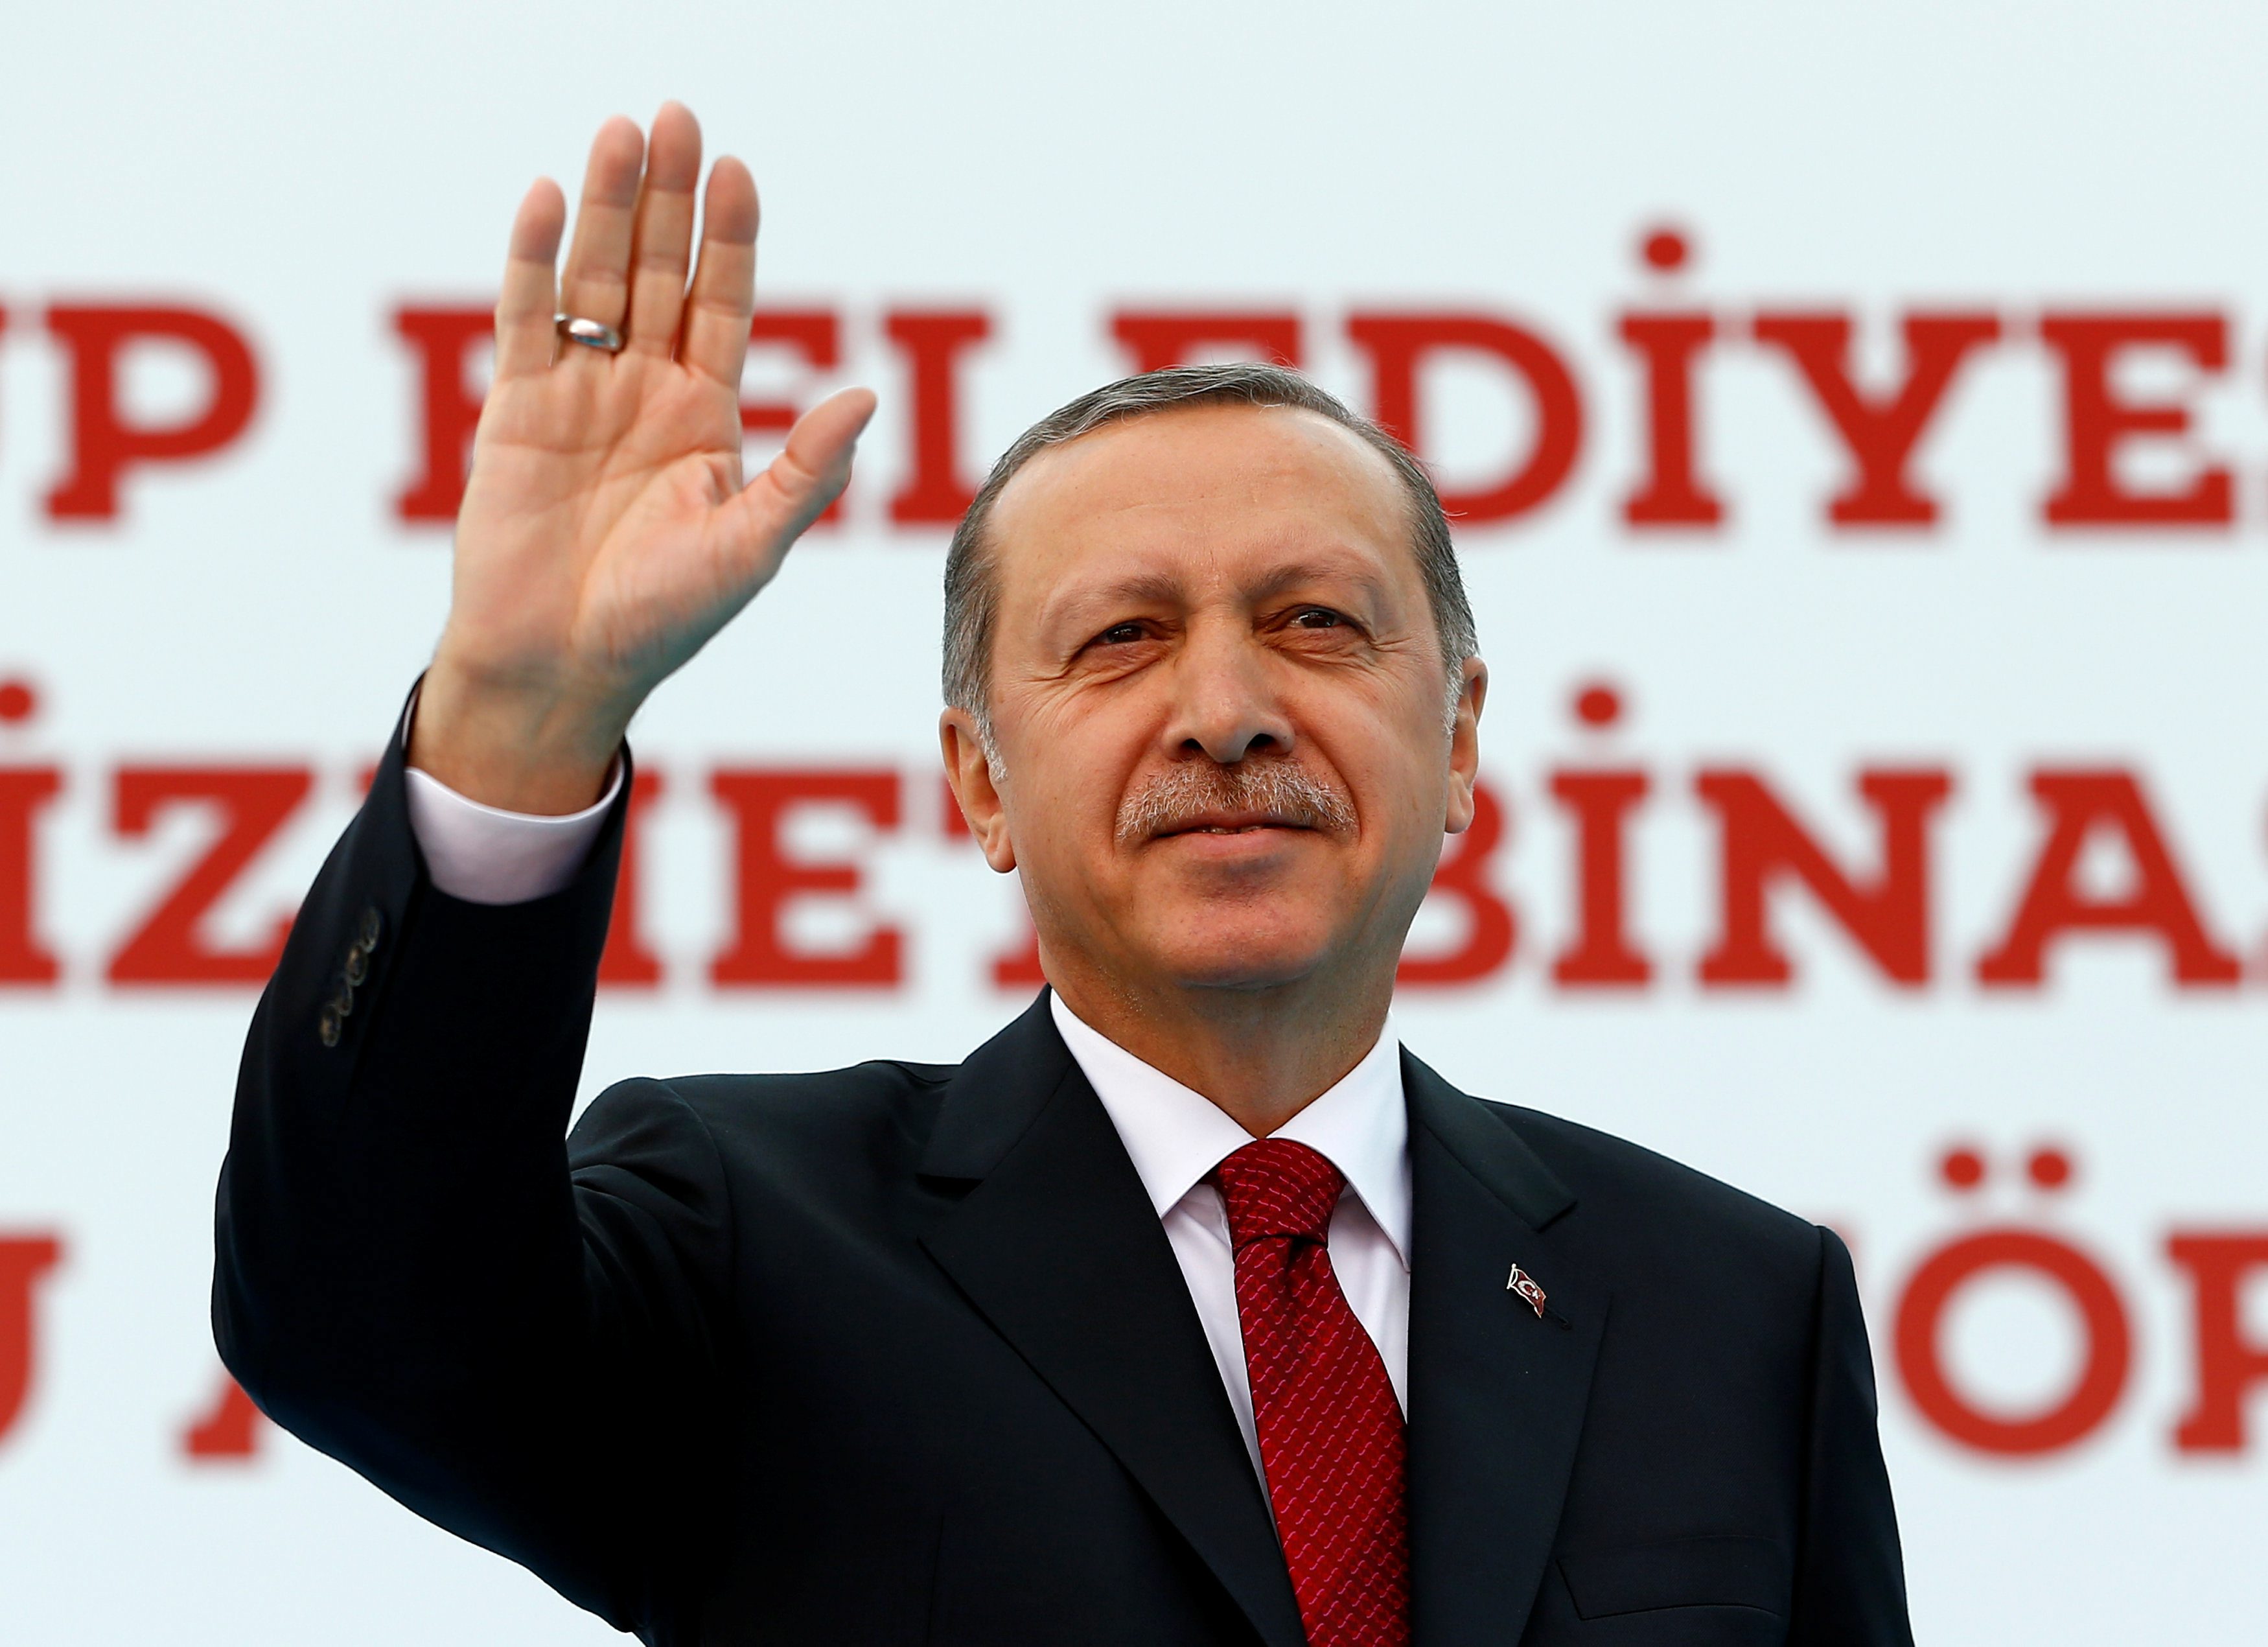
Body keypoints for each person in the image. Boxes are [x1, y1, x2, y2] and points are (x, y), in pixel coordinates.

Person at [214, 104, 1912, 1647]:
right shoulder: (750, 1238)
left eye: (1315, 622)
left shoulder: (1737, 1309)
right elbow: (362, 1328)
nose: (1229, 713)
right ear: (980, 782)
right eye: (1121, 638)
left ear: (1457, 742)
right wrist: (521, 714)